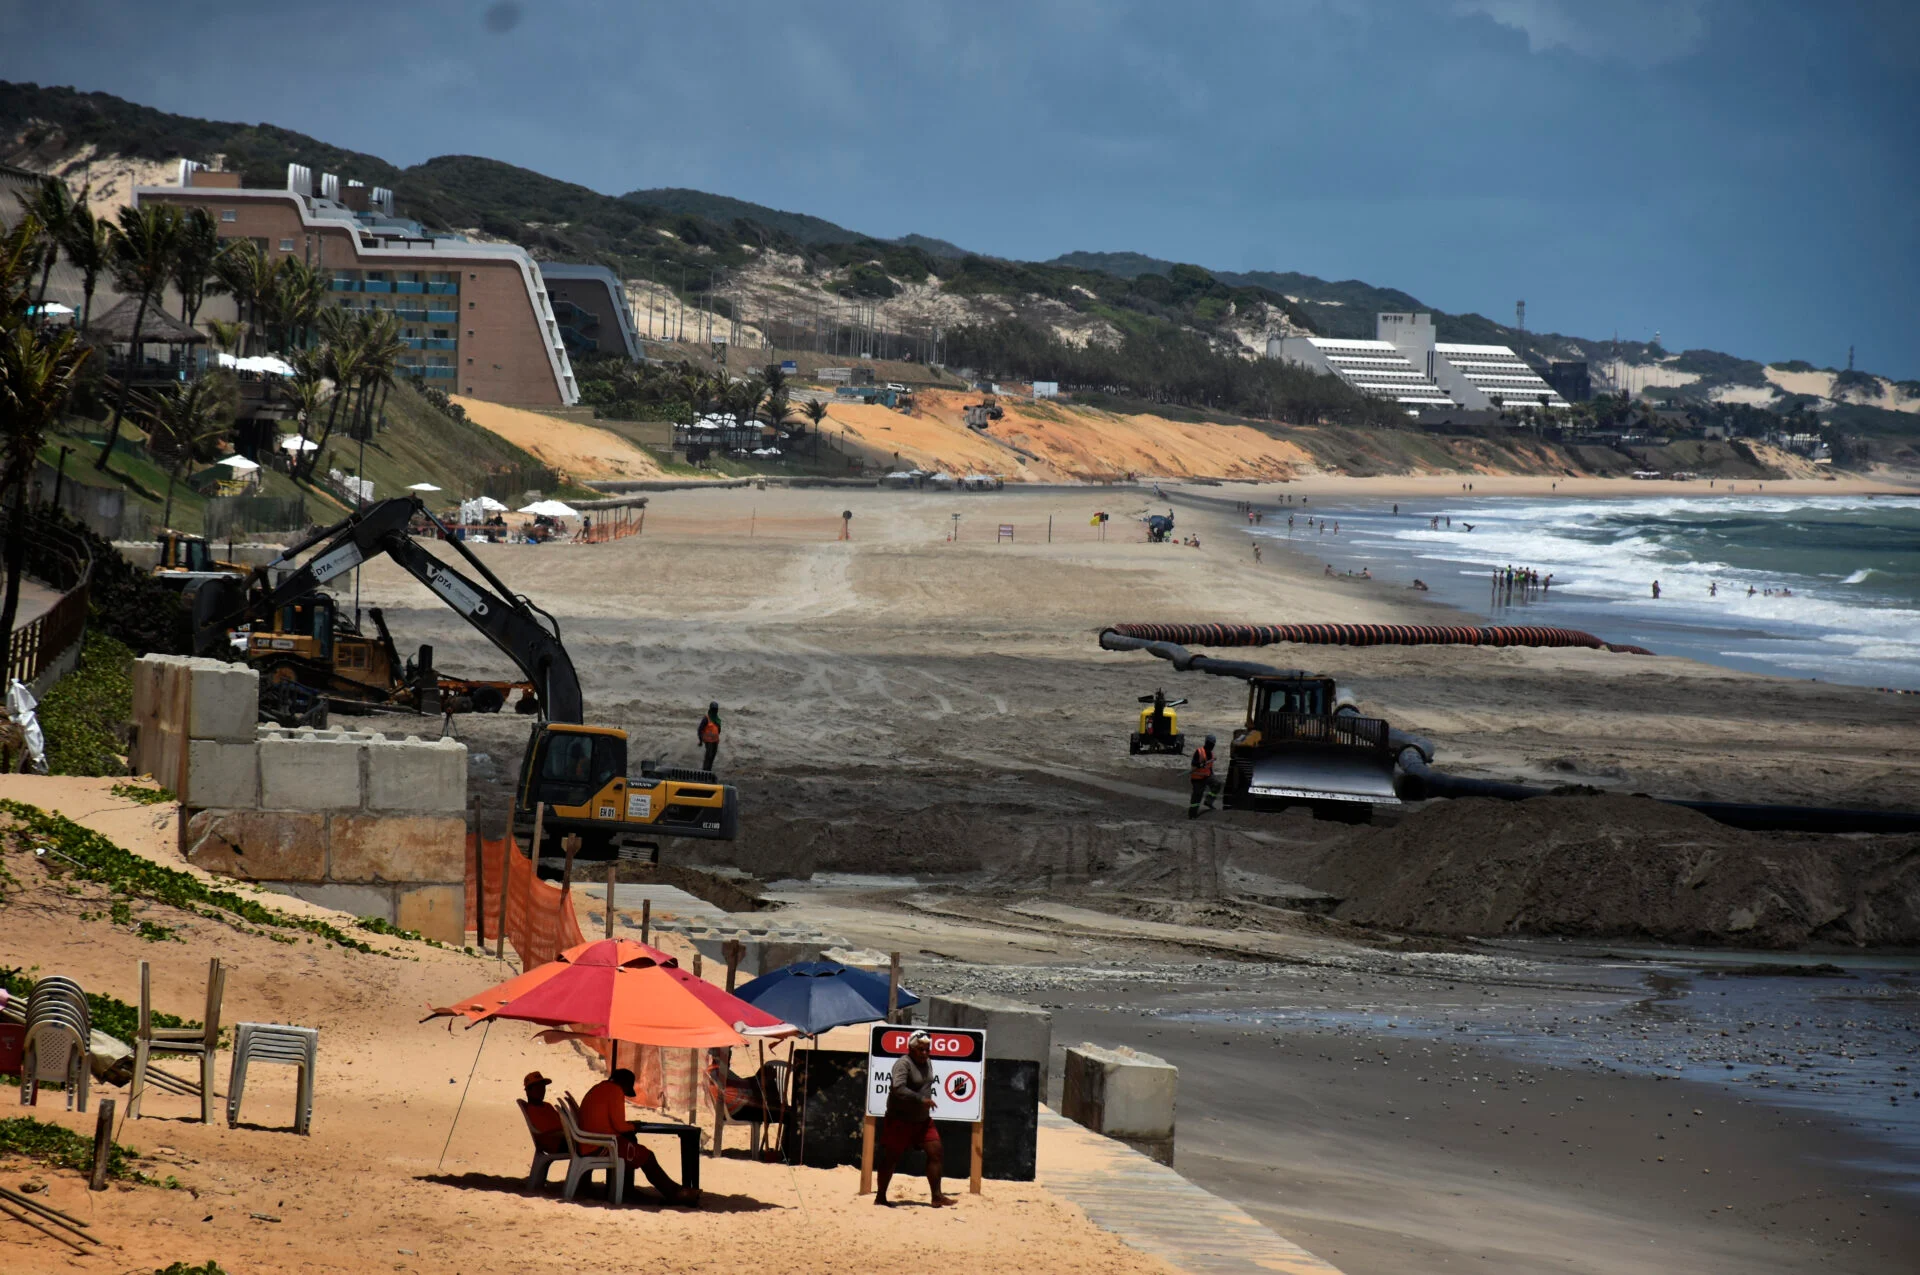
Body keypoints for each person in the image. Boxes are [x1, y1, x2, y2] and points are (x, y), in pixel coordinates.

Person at [578, 1069, 696, 1205]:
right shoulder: (615, 1090)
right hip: (600, 1144)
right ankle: (674, 1193)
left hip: (591, 1142)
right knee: (647, 1156)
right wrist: (635, 1127)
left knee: (632, 1146)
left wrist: (630, 1127)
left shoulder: (600, 1088)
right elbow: (620, 1126)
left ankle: (628, 1189)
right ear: (625, 1083)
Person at [875, 1032, 956, 1207]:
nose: (925, 1053)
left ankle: (936, 1196)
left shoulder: (928, 1062)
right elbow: (897, 1087)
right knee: (891, 1157)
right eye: (920, 1050)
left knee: (936, 1151)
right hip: (899, 1120)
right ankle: (880, 1197)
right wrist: (920, 1099)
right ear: (911, 1049)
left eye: (927, 1050)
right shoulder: (903, 1064)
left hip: (923, 1121)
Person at [521, 1071, 564, 1155]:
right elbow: (548, 1131)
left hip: (564, 1139)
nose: (542, 1090)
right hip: (556, 1144)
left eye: (543, 1087)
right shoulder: (532, 1110)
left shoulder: (547, 1106)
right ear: (528, 1091)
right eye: (538, 1087)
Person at [1188, 734, 1221, 820]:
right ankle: (1192, 814)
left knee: (1217, 784)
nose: (1212, 746)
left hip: (1207, 776)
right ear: (1206, 743)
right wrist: (1199, 765)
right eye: (1210, 744)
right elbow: (1193, 764)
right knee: (1197, 796)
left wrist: (1212, 775)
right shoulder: (1199, 752)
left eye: (1213, 744)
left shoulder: (1211, 755)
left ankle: (1208, 801)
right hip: (1197, 779)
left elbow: (1209, 767)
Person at [698, 701, 721, 771]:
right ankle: (705, 771)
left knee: (712, 756)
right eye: (713, 709)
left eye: (716, 709)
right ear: (710, 709)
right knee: (708, 756)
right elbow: (700, 729)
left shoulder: (717, 719)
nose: (715, 711)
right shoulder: (706, 718)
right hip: (708, 741)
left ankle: (709, 770)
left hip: (715, 741)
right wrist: (700, 740)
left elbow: (719, 729)